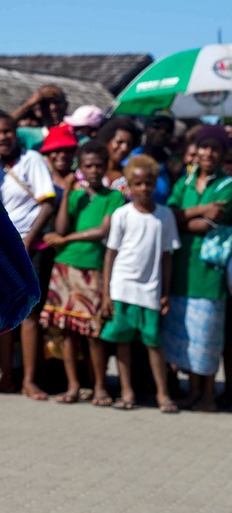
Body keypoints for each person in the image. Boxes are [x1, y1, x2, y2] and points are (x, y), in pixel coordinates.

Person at [0, 111, 56, 398]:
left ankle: (30, 381)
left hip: (30, 247)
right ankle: (6, 376)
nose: (2, 137)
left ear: (16, 133)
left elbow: (48, 204)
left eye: (7, 131)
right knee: (5, 312)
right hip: (0, 249)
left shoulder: (31, 160)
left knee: (30, 313)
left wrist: (27, 240)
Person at [41, 140, 124, 405]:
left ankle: (100, 387)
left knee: (93, 333)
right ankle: (73, 386)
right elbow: (62, 226)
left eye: (99, 166)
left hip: (93, 269)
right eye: (88, 166)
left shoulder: (114, 197)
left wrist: (65, 240)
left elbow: (103, 231)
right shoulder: (76, 196)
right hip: (65, 267)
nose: (94, 171)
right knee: (67, 331)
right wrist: (66, 194)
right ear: (81, 168)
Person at [101, 155, 181, 413]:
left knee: (153, 343)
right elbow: (110, 254)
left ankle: (162, 394)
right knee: (122, 342)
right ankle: (126, 391)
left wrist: (166, 293)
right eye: (138, 183)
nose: (144, 188)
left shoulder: (165, 216)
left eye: (148, 183)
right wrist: (106, 294)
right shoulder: (121, 215)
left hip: (150, 290)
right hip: (122, 287)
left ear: (155, 183)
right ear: (129, 186)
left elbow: (166, 257)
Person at [162, 125, 232, 412]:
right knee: (186, 338)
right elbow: (170, 215)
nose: (208, 153)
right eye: (204, 147)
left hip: (209, 275)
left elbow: (210, 224)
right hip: (181, 272)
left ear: (224, 154)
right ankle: (193, 392)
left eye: (215, 148)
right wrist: (201, 210)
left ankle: (207, 396)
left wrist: (184, 219)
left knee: (207, 339)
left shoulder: (228, 185)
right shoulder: (184, 183)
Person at [131, 110, 177, 202]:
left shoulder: (174, 167)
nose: (162, 132)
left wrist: (174, 176)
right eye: (157, 126)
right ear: (145, 128)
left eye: (167, 129)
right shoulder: (129, 159)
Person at [10, 84, 68, 149]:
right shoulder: (29, 135)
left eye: (57, 102)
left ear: (65, 105)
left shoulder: (74, 134)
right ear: (39, 110)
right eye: (46, 103)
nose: (53, 108)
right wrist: (29, 104)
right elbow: (2, 128)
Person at [100, 116, 139, 194]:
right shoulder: (88, 171)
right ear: (107, 141)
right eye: (119, 142)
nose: (125, 148)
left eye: (129, 144)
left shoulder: (130, 177)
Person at [41, 123, 79, 196]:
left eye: (67, 151)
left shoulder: (83, 181)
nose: (62, 155)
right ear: (48, 155)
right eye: (56, 151)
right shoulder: (41, 181)